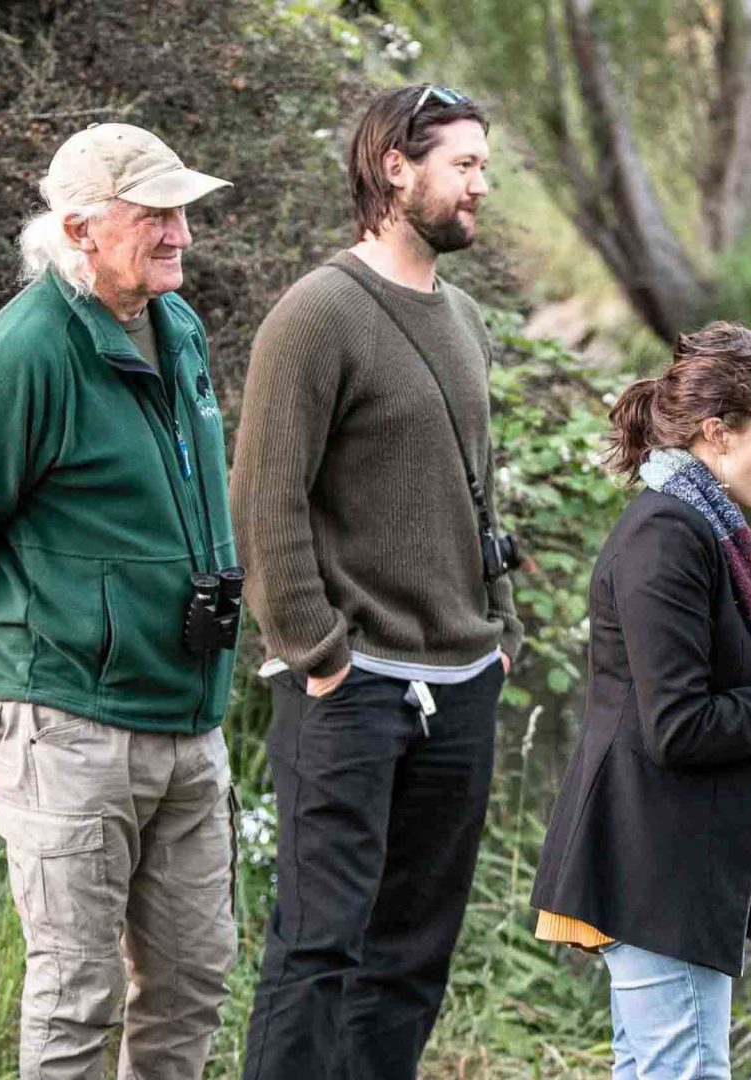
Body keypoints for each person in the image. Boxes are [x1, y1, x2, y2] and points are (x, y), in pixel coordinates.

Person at [0, 123, 239, 1079]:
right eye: (155, 215)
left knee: (192, 983)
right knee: (77, 999)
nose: (180, 234)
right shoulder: (22, 353)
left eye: (182, 212)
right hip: (69, 728)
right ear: (80, 228)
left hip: (188, 715)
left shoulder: (177, 324)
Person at [230, 84, 522, 1079]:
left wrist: (501, 627)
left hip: (463, 683)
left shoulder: (465, 318)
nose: (481, 185)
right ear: (396, 167)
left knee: (411, 959)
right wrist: (319, 656)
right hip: (352, 691)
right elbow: (264, 500)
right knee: (317, 950)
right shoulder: (316, 314)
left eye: (485, 166)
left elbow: (480, 490)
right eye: (464, 164)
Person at [529, 322, 751, 1080]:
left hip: (669, 864)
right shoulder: (669, 536)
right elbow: (679, 728)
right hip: (659, 867)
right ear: (718, 431)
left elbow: (702, 683)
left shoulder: (703, 527)